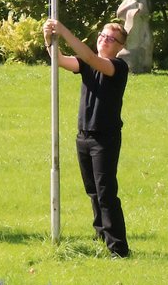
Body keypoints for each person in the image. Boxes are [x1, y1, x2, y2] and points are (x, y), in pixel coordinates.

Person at [43, 16, 130, 257]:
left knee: (106, 193)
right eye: (102, 35)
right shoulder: (86, 64)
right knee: (93, 192)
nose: (104, 40)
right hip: (84, 136)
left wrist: (63, 30)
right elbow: (59, 60)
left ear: (120, 46)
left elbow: (92, 58)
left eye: (111, 38)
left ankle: (118, 248)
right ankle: (101, 237)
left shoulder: (117, 67)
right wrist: (48, 38)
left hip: (104, 138)